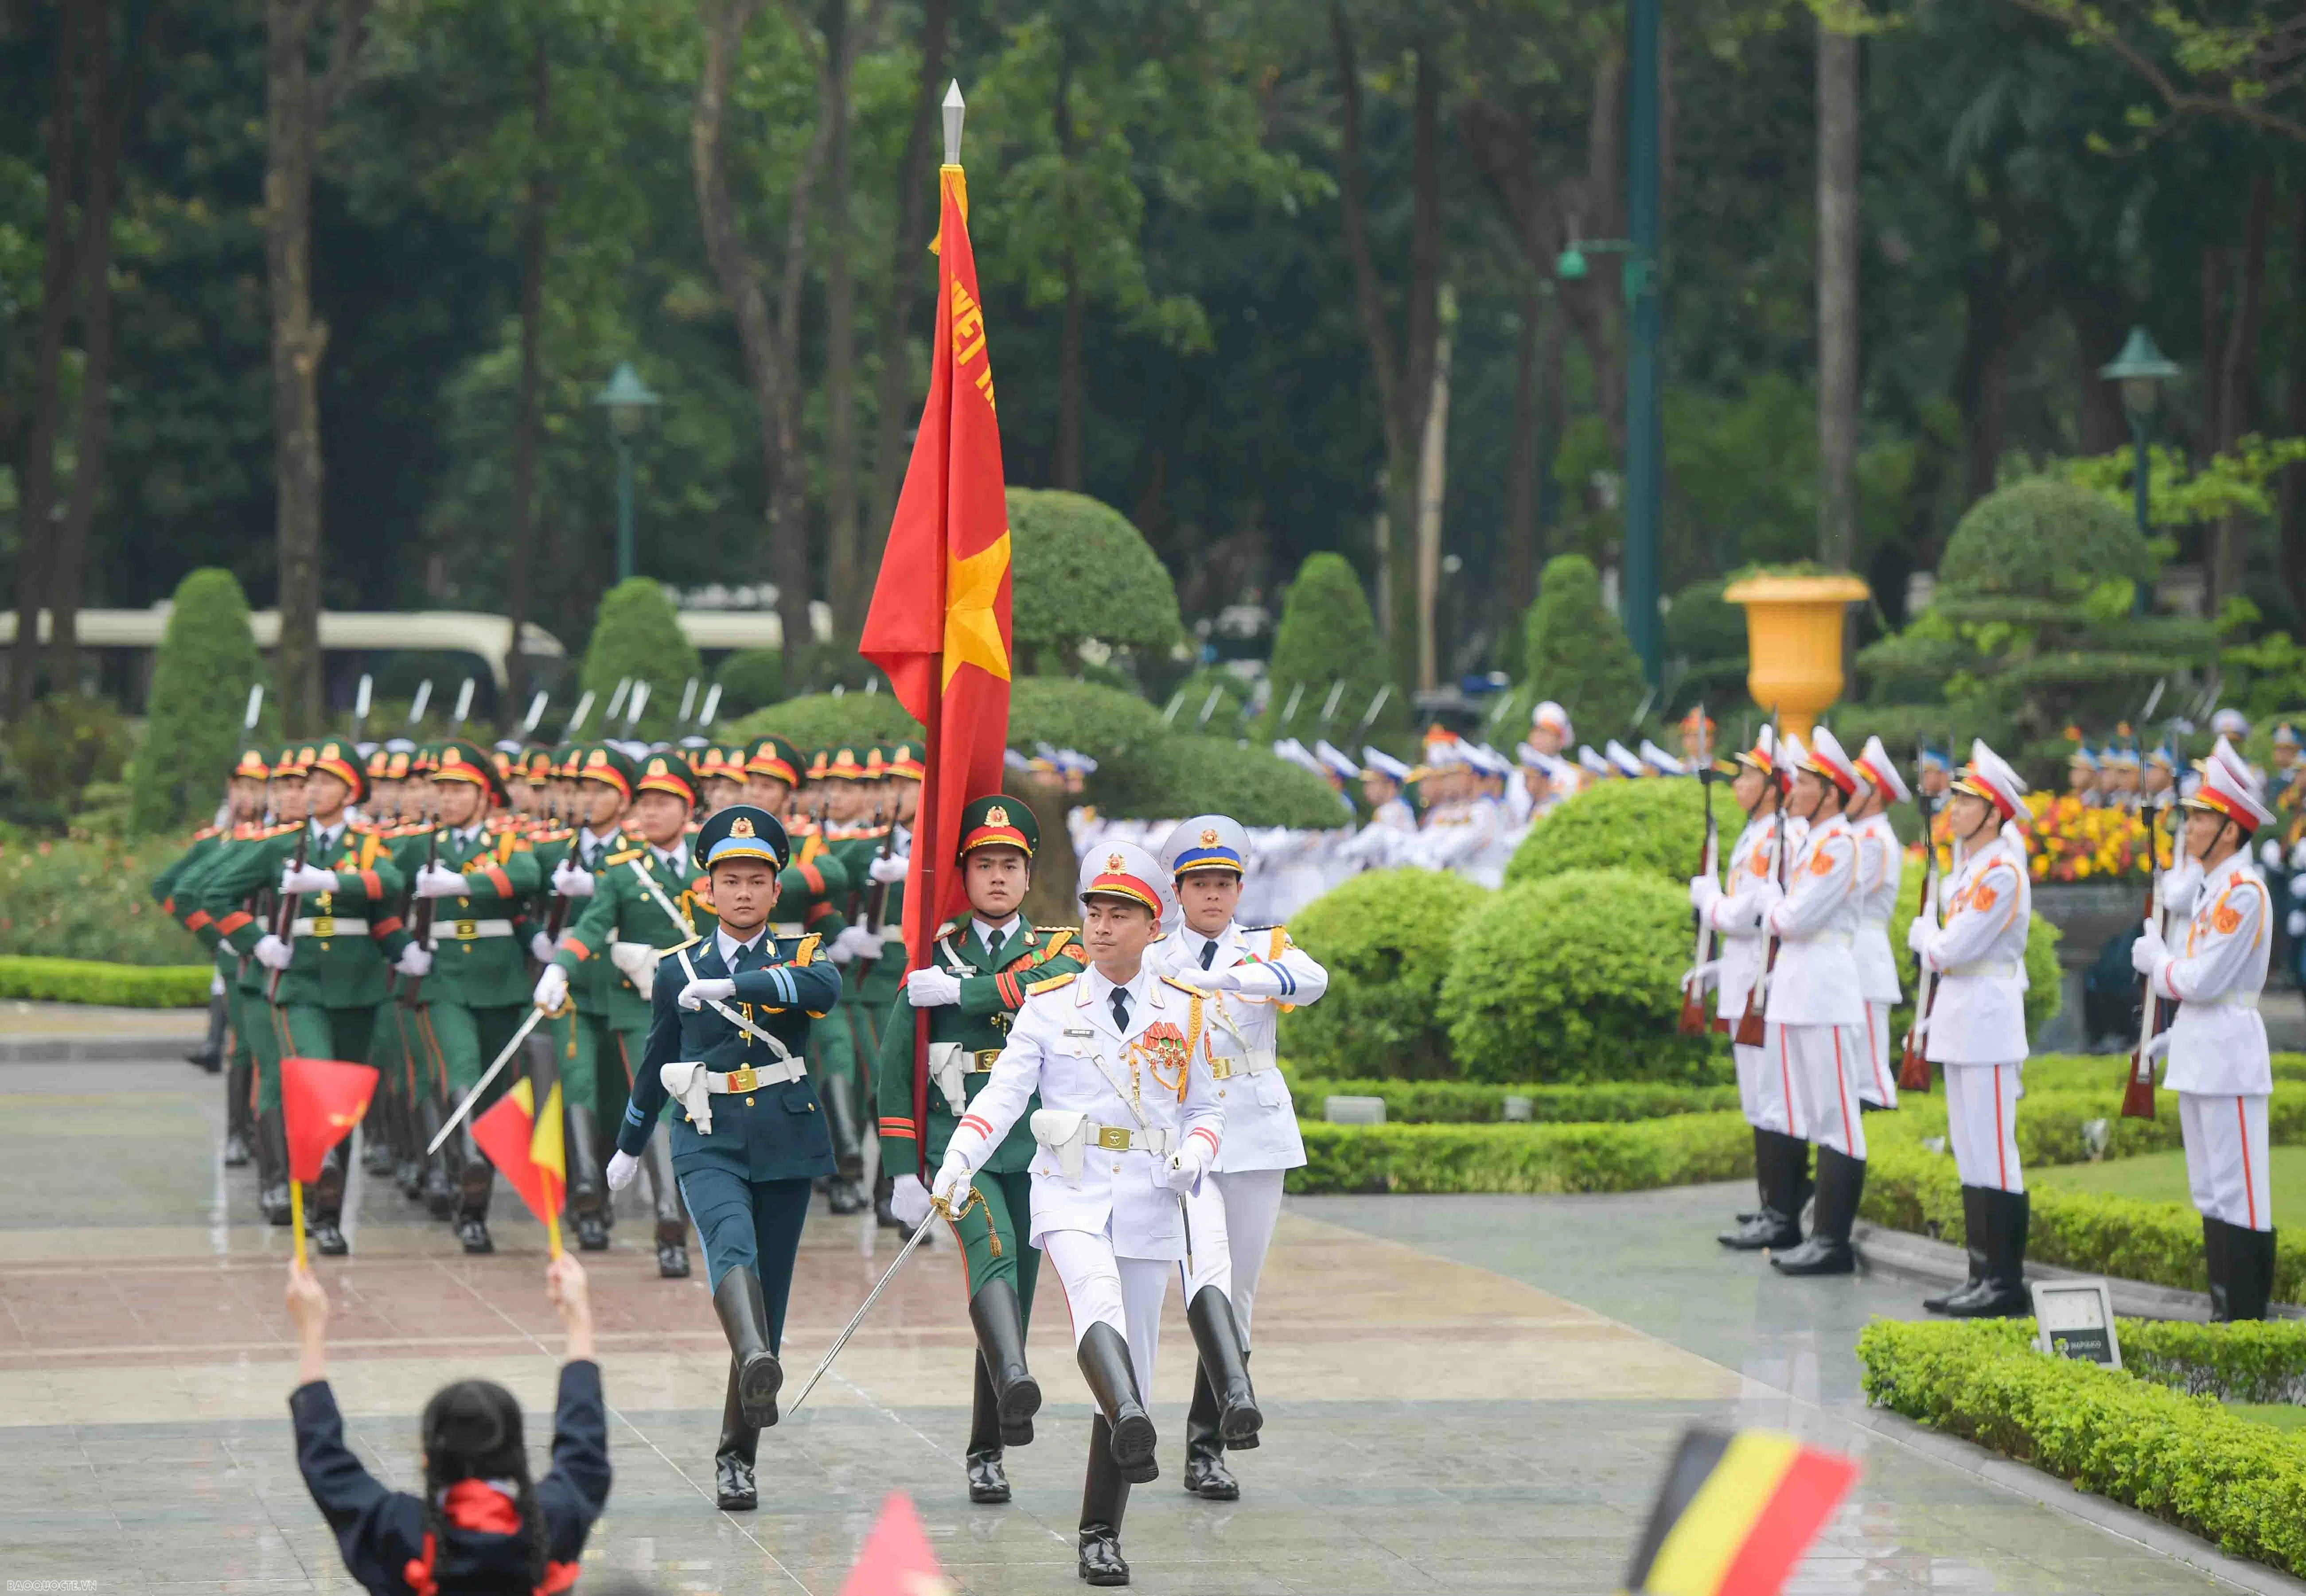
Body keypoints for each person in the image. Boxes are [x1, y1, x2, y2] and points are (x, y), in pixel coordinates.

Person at [929, 841, 1228, 1588]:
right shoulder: (1048, 1005)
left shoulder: (1184, 1011)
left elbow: (1205, 1106)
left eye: (1118, 913)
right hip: (1067, 1188)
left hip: (1151, 1196)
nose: (1099, 926)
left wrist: (1195, 1152)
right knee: (1093, 1301)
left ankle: (1101, 1530)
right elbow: (1000, 1095)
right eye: (1092, 911)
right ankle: (1129, 1415)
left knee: (1137, 1365)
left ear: (1151, 926)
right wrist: (959, 1156)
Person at [604, 803, 843, 1511]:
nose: (743, 892)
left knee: (769, 1293)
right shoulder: (677, 966)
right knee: (728, 1244)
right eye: (729, 880)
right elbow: (655, 1060)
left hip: (784, 1134)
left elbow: (824, 992)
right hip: (704, 1133)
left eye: (757, 880)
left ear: (776, 891)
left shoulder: (802, 953)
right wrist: (628, 1141)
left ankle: (738, 1452)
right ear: (706, 891)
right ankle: (759, 1365)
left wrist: (739, 986)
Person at [881, 795, 1084, 1505]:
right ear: (963, 875)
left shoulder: (1057, 949)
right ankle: (1014, 1393)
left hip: (1035, 1144)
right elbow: (895, 1064)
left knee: (1015, 1299)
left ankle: (988, 1443)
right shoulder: (927, 953)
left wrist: (964, 990)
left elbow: (1053, 987)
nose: (997, 877)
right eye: (983, 864)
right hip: (958, 1145)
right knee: (988, 1250)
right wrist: (903, 1167)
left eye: (1010, 865)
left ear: (1029, 876)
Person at [1155, 814, 1325, 1503]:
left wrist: (1250, 979)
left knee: (1241, 1289)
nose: (1214, 895)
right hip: (1187, 1133)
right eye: (1201, 883)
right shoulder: (1154, 954)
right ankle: (1228, 1403)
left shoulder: (1267, 946)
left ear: (1239, 887)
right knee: (1205, 1276)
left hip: (1254, 1131)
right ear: (1178, 889)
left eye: (1225, 883)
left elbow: (1312, 981)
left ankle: (1209, 1444)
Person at [188, 737, 408, 1255]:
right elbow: (213, 894)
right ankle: (315, 1184)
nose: (314, 789)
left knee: (345, 1097)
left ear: (351, 789)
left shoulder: (370, 843)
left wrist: (333, 878)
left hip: (358, 986)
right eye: (311, 781)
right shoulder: (281, 844)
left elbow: (393, 881)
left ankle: (327, 1214)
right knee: (315, 1083)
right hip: (301, 985)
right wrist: (257, 940)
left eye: (327, 780)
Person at [285, 1254, 608, 1596]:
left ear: (427, 1457)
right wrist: (579, 1320)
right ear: (519, 1455)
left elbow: (325, 1461)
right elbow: (583, 1448)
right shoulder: (552, 1524)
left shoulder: (399, 1530)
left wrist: (311, 1330)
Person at [534, 745, 694, 1272]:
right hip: (640, 1007)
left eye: (663, 802)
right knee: (654, 1105)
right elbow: (591, 926)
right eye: (644, 802)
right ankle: (669, 1222)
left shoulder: (712, 863)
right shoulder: (625, 872)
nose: (650, 812)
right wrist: (560, 966)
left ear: (687, 807)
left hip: (702, 1005)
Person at [2135, 739, 2280, 1320]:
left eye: (2200, 817)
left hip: (2228, 1052)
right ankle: (2224, 1305)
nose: (2188, 826)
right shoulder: (2212, 889)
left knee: (2240, 1189)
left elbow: (2202, 980)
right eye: (2191, 814)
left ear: (2231, 830)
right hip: (2202, 1048)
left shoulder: (2241, 893)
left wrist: (2158, 963)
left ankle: (2245, 1313)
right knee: (2211, 1188)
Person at [391, 740, 544, 1255]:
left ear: (484, 796)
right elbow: (381, 892)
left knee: (497, 1088)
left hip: (501, 980)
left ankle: (473, 1194)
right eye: (443, 790)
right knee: (460, 1070)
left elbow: (526, 876)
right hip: (445, 981)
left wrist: (462, 881)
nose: (448, 799)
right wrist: (402, 948)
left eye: (460, 789)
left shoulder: (507, 839)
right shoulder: (419, 844)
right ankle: (472, 1166)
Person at [1908, 740, 2034, 1316]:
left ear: (1994, 813)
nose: (1952, 809)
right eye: (1954, 799)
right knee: (1970, 1150)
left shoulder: (2002, 872)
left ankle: (2005, 1281)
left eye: (1966, 801)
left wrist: (1925, 940)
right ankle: (1980, 1272)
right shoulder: (1973, 869)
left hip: (1986, 1014)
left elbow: (1953, 946)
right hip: (1962, 1015)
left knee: (1994, 1150)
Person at [1759, 728, 1870, 1278]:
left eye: (1803, 782)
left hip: (1824, 988)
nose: (1792, 789)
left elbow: (1794, 919)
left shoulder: (1839, 844)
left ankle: (1832, 1240)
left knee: (1836, 1115)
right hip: (1796, 987)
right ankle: (1814, 1232)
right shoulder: (1809, 841)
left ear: (1829, 792)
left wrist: (1770, 901)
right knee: (1807, 1109)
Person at [1692, 728, 1803, 1250]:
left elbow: (1744, 914)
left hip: (1762, 982)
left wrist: (1707, 901)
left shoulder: (1775, 837)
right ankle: (1769, 1204)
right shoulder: (1752, 834)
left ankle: (1781, 1212)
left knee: (1771, 1098)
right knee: (1755, 1099)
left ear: (1772, 787)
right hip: (1741, 978)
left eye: (1749, 777)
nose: (1737, 784)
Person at [1847, 736, 1909, 1111]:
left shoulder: (1875, 840)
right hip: (1851, 952)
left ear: (1873, 794)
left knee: (1870, 1069)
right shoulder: (1856, 835)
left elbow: (1846, 892)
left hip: (1865, 954)